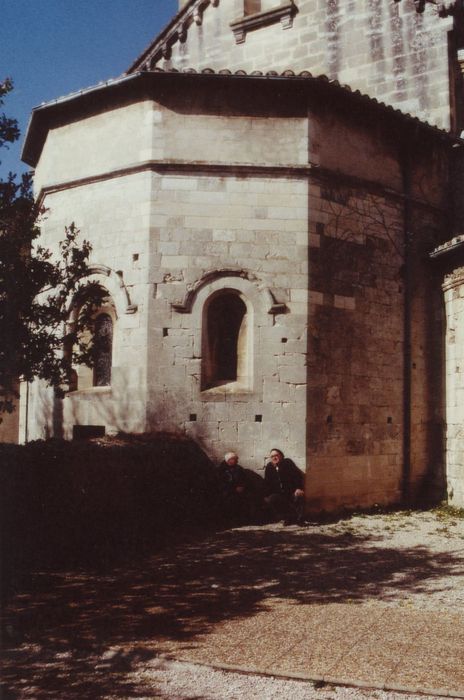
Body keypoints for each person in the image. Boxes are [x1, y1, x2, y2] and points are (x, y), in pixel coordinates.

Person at [264, 448, 305, 525]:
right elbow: (267, 482)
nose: (274, 457)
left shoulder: (288, 463)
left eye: (276, 455)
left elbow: (297, 476)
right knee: (271, 499)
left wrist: (299, 488)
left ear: (281, 456)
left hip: (291, 491)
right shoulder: (269, 467)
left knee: (299, 495)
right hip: (279, 494)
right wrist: (266, 495)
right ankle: (288, 517)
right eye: (272, 456)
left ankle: (300, 519)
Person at [216, 451, 253, 524]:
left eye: (237, 459)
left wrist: (242, 486)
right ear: (229, 460)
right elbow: (221, 483)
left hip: (239, 490)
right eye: (235, 459)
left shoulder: (239, 468)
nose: (237, 461)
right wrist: (233, 489)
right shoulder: (221, 470)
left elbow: (245, 480)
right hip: (227, 492)